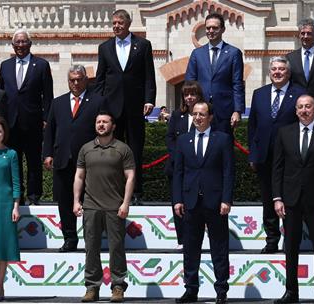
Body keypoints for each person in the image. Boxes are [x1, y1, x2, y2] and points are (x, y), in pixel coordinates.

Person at [272, 95, 314, 304]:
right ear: (295, 111)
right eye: (300, 107)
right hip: (290, 200)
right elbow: (277, 168)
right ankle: (291, 292)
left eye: (308, 107)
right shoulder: (285, 133)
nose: (304, 110)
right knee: (290, 247)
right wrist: (277, 198)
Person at [173, 101, 235, 304]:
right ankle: (191, 289)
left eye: (202, 114)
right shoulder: (183, 140)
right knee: (190, 248)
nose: (198, 117)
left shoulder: (223, 139)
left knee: (219, 246)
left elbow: (228, 171)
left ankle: (221, 290)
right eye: (195, 114)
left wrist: (227, 199)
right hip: (190, 202)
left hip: (216, 201)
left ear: (210, 117)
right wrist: (178, 200)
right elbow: (178, 172)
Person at [95, 9, 156, 204]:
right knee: (112, 152)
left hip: (135, 107)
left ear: (128, 24)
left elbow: (149, 76)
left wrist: (149, 99)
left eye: (120, 23)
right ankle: (115, 192)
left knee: (135, 150)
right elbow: (100, 79)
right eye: (113, 23)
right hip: (111, 108)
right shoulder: (104, 48)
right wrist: (99, 106)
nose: (116, 26)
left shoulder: (143, 45)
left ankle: (137, 192)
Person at [43, 65, 107, 253]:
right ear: (68, 81)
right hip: (63, 159)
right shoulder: (58, 103)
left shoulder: (98, 101)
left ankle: (91, 239)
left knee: (91, 202)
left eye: (79, 79)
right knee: (64, 201)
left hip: (90, 161)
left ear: (86, 79)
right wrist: (48, 154)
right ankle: (70, 239)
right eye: (72, 79)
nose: (76, 83)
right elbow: (50, 131)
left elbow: (104, 129)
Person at [73, 111, 135, 303]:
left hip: (115, 208)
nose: (101, 125)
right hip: (91, 207)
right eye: (98, 122)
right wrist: (76, 200)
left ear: (113, 126)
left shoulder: (123, 149)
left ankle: (118, 286)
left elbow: (130, 177)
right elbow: (79, 176)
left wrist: (125, 203)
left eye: (105, 122)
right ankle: (92, 287)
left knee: (116, 248)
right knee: (91, 248)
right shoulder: (86, 149)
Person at [247, 56, 304, 254]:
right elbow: (252, 126)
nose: (277, 72)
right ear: (269, 72)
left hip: (289, 158)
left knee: (289, 199)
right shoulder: (259, 94)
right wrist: (253, 154)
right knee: (268, 200)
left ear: (288, 73)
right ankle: (271, 239)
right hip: (264, 156)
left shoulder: (299, 94)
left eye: (281, 69)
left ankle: (291, 240)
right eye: (274, 69)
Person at [0, 29, 54, 205]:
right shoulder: (5, 65)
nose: (20, 45)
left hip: (33, 122)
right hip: (10, 123)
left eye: (24, 42)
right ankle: (17, 196)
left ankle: (34, 196)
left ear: (30, 44)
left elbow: (48, 96)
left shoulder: (42, 65)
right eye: (17, 42)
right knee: (13, 161)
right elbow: (1, 94)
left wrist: (47, 119)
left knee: (34, 161)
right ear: (13, 45)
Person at [185, 13, 244, 135]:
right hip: (200, 111)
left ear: (222, 29)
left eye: (215, 28)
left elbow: (237, 83)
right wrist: (189, 107)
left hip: (224, 112)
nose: (211, 31)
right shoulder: (197, 54)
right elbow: (190, 82)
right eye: (208, 28)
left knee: (223, 148)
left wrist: (237, 110)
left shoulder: (234, 53)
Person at [165, 81, 204, 250]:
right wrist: (180, 157)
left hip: (198, 170)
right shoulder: (176, 116)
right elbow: (170, 138)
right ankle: (182, 240)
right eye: (186, 94)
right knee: (178, 204)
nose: (189, 97)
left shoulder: (205, 116)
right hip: (177, 169)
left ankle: (198, 239)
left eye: (192, 94)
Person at [0, 116, 21, 301]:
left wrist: (16, 206)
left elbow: (16, 182)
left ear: (4, 133)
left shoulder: (11, 154)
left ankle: (0, 285)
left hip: (5, 204)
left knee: (1, 247)